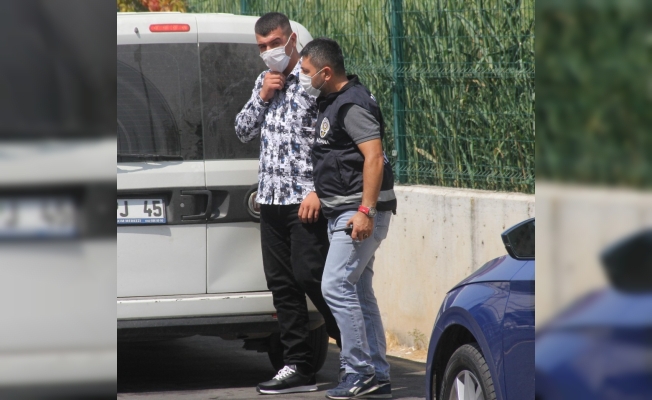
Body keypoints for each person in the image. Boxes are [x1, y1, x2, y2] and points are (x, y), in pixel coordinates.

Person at [234, 13, 341, 395]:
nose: (269, 51)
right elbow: (242, 131)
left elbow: (336, 141)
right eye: (262, 46)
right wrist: (262, 97)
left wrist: (318, 191)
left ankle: (356, 350)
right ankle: (298, 367)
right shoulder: (264, 82)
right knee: (281, 284)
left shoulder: (313, 81)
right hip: (271, 199)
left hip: (305, 200)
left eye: (275, 43)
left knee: (311, 275)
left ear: (292, 39)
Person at [299, 38, 397, 400]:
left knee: (335, 286)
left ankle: (359, 371)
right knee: (357, 291)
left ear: (326, 72)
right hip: (345, 211)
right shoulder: (333, 101)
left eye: (307, 72)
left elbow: (374, 157)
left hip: (358, 214)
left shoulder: (352, 104)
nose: (303, 78)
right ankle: (377, 374)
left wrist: (365, 212)